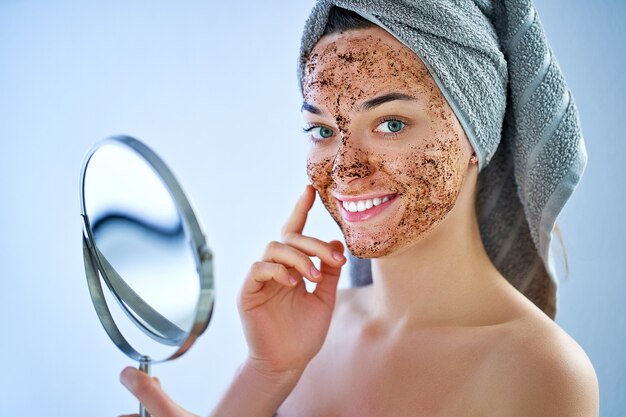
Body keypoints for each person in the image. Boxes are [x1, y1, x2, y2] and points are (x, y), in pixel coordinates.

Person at [119, 2, 599, 416]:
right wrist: (265, 375)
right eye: (323, 131)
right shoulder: (302, 338)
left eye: (390, 123)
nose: (346, 169)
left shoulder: (539, 370)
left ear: (477, 134)